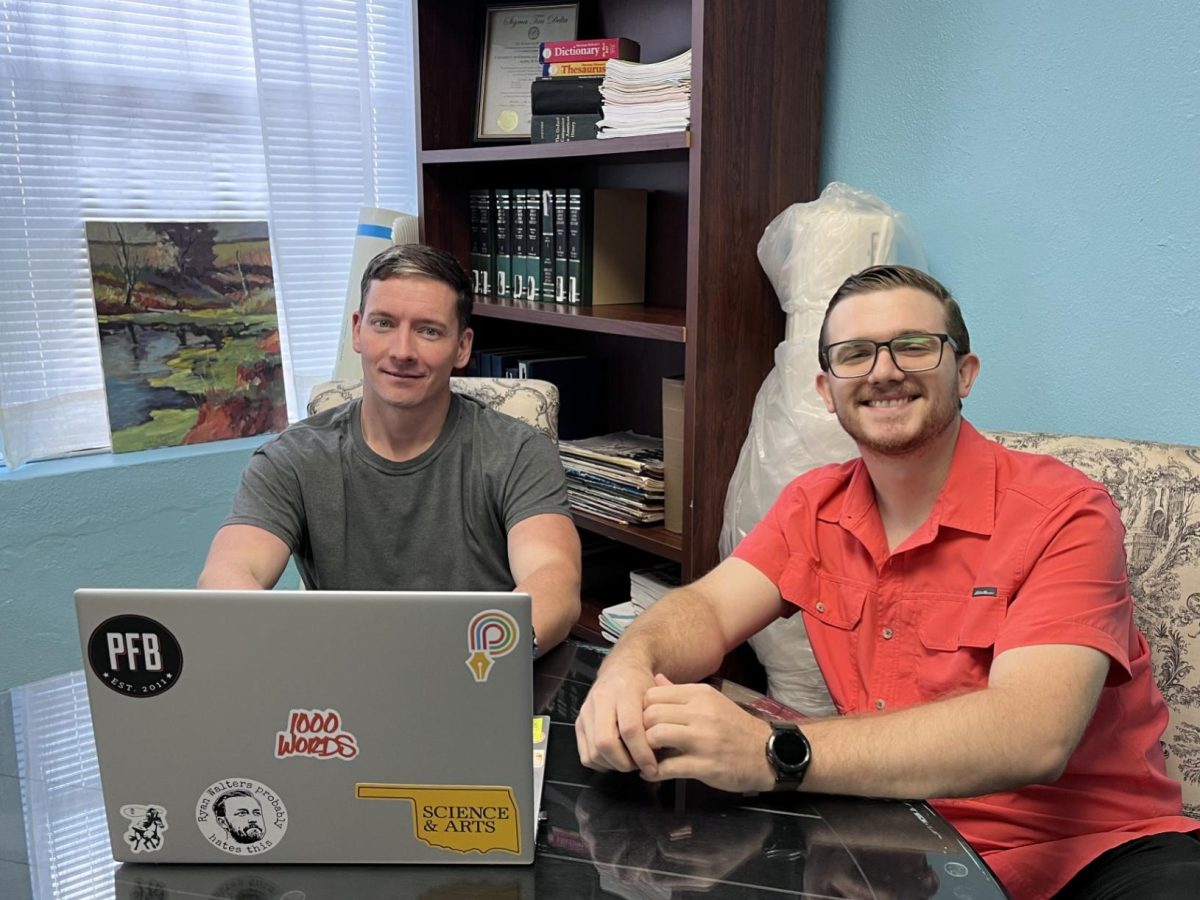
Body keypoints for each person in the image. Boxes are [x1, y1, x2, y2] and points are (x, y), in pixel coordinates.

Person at [576, 265, 1200, 898]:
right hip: (896, 842)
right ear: (827, 389)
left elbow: (1034, 733)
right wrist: (629, 663)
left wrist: (772, 751)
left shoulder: (1067, 511)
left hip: (1094, 855)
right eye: (854, 355)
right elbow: (706, 610)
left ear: (965, 372)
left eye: (913, 345)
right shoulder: (812, 505)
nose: (882, 371)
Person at [198, 243, 581, 653]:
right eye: (384, 323)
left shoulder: (518, 451)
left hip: (480, 671)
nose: (402, 352)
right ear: (358, 330)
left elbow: (554, 577)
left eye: (428, 330)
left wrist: (478, 658)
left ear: (463, 347)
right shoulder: (292, 458)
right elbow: (227, 574)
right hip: (337, 689)